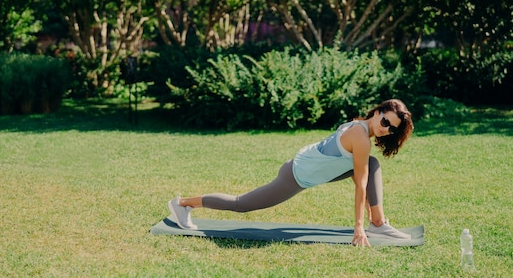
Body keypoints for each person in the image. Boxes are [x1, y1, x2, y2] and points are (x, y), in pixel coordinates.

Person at [167, 99, 414, 247]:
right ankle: (183, 204)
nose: (386, 129)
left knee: (371, 165)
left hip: (309, 167)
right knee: (242, 204)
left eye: (392, 129)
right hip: (295, 176)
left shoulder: (360, 127)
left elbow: (359, 174)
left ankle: (379, 223)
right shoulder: (360, 137)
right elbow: (361, 185)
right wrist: (358, 227)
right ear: (377, 112)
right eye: (385, 122)